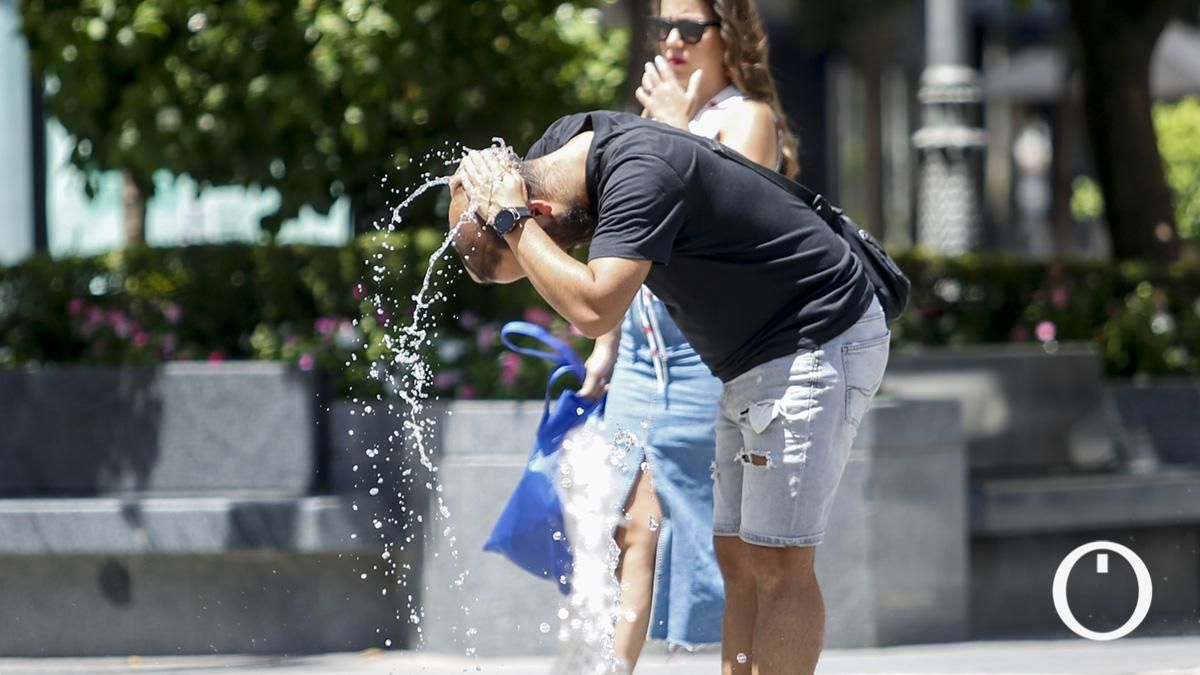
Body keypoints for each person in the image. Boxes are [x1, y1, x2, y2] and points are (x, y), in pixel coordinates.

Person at [446, 107, 890, 675]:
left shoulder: (638, 172)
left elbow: (594, 306)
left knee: (780, 565)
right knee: (738, 558)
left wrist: (511, 224)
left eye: (534, 251)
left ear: (535, 210)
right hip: (747, 358)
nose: (565, 260)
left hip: (814, 337)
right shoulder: (562, 149)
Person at [573, 0, 800, 669]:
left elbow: (734, 225)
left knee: (722, 535)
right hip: (642, 358)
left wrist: (675, 131)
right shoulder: (659, 118)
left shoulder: (749, 118)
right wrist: (606, 343)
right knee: (628, 523)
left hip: (709, 356)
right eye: (662, 28)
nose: (671, 40)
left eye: (689, 28)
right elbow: (630, 243)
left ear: (726, 38)